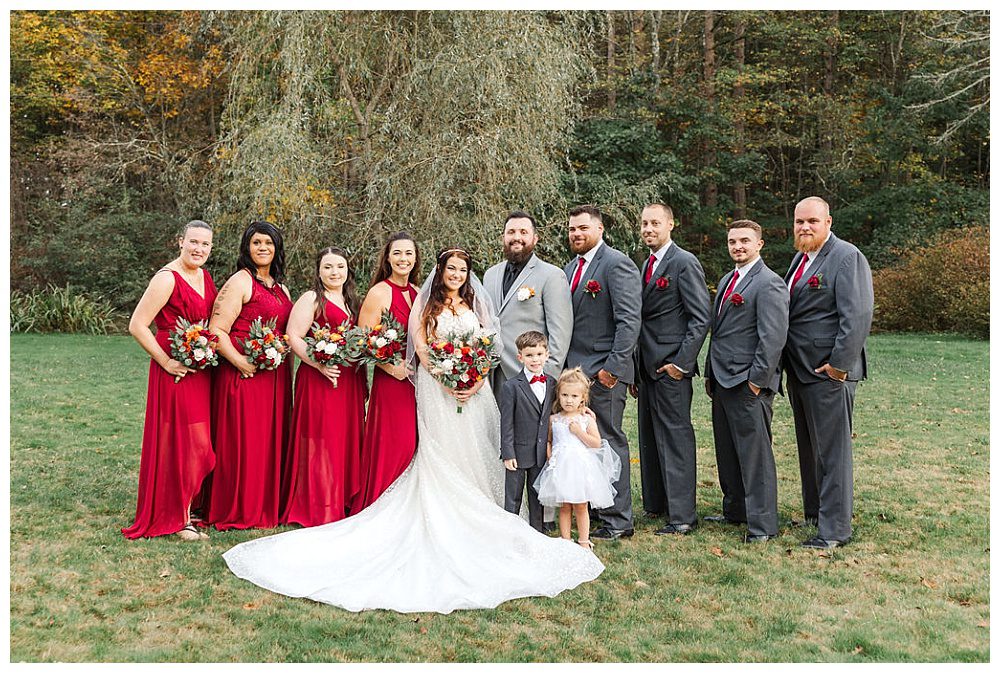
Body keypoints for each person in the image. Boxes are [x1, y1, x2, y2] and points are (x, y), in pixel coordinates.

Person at [222, 247, 603, 613]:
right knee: (444, 454)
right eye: (450, 268)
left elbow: (488, 344)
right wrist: (447, 376)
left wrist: (473, 378)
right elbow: (420, 348)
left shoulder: (473, 304)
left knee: (479, 449)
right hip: (438, 390)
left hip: (475, 391)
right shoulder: (427, 306)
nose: (456, 275)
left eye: (462, 269)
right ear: (440, 271)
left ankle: (490, 516)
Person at [783, 197, 873, 549]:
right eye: (799, 221)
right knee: (810, 447)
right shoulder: (801, 259)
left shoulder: (846, 257)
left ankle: (834, 529)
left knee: (832, 451)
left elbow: (858, 316)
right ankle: (816, 512)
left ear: (828, 222)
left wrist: (839, 365)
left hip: (829, 373)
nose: (805, 227)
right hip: (802, 370)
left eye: (812, 221)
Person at [123, 220, 217, 541]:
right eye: (193, 242)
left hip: (199, 368)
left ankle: (187, 509)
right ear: (180, 241)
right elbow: (137, 324)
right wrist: (165, 360)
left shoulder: (204, 276)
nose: (198, 249)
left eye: (205, 244)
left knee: (198, 444)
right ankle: (176, 518)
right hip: (174, 368)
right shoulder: (167, 278)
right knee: (186, 443)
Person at [704, 220, 788, 543]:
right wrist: (711, 372)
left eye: (744, 241)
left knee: (755, 456)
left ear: (759, 245)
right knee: (727, 451)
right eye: (732, 241)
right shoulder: (728, 280)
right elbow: (720, 333)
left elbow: (773, 338)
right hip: (722, 380)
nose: (737, 247)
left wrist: (756, 381)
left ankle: (763, 524)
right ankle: (736, 509)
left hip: (748, 382)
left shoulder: (769, 283)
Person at [206, 221, 294, 530]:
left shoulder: (281, 287)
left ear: (276, 249)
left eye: (268, 243)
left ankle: (265, 502)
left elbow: (287, 330)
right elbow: (216, 330)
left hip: (275, 377)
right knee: (244, 441)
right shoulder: (240, 281)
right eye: (256, 243)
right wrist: (241, 362)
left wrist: (280, 348)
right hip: (243, 374)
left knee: (268, 440)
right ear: (247, 247)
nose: (263, 248)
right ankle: (240, 505)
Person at [630, 203, 711, 536]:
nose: (649, 229)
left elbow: (700, 317)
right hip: (646, 367)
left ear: (670, 224)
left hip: (670, 367)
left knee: (675, 438)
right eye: (645, 223)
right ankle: (658, 503)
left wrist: (681, 363)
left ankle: (682, 516)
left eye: (655, 223)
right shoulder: (644, 264)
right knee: (649, 438)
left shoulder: (683, 262)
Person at [563, 205, 641, 540]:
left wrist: (613, 369)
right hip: (577, 375)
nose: (576, 234)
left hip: (605, 373)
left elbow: (629, 321)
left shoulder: (616, 264)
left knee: (608, 441)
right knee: (584, 443)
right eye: (571, 230)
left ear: (599, 228)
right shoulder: (569, 269)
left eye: (582, 228)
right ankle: (594, 509)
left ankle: (619, 520)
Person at [280, 247, 366, 527]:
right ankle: (318, 503)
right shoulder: (311, 299)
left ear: (347, 269)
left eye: (340, 266)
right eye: (328, 267)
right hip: (319, 379)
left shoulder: (352, 301)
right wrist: (318, 364)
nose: (334, 272)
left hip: (348, 382)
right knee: (320, 438)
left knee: (342, 440)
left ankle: (339, 498)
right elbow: (294, 335)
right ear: (318, 270)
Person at [350, 232, 421, 513]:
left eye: (408, 253)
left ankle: (408, 506)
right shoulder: (379, 291)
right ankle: (384, 504)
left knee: (416, 443)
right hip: (393, 381)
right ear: (388, 258)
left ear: (415, 258)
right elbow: (361, 341)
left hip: (419, 381)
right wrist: (392, 368)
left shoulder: (418, 292)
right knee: (397, 444)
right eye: (398, 253)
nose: (403, 259)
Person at [483, 211, 573, 395]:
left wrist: (544, 379)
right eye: (511, 232)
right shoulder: (490, 275)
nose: (517, 237)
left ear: (535, 238)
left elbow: (560, 335)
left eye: (523, 232)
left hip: (530, 376)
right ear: (503, 237)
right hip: (492, 375)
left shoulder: (552, 275)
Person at [534, 368, 621, 550]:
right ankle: (565, 540)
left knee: (581, 505)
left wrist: (579, 432)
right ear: (558, 395)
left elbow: (596, 443)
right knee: (565, 506)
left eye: (574, 396)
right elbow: (549, 440)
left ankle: (583, 540)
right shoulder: (554, 419)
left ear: (583, 398)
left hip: (581, 468)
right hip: (562, 468)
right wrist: (550, 456)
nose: (568, 400)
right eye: (564, 395)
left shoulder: (586, 419)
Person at [499, 330, 556, 533]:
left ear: (547, 355)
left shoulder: (552, 383)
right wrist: (508, 453)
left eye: (539, 354)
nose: (535, 359)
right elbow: (506, 423)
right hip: (518, 452)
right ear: (520, 357)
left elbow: (556, 413)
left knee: (537, 495)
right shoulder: (511, 386)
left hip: (541, 453)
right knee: (513, 496)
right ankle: (511, 533)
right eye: (530, 355)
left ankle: (537, 532)